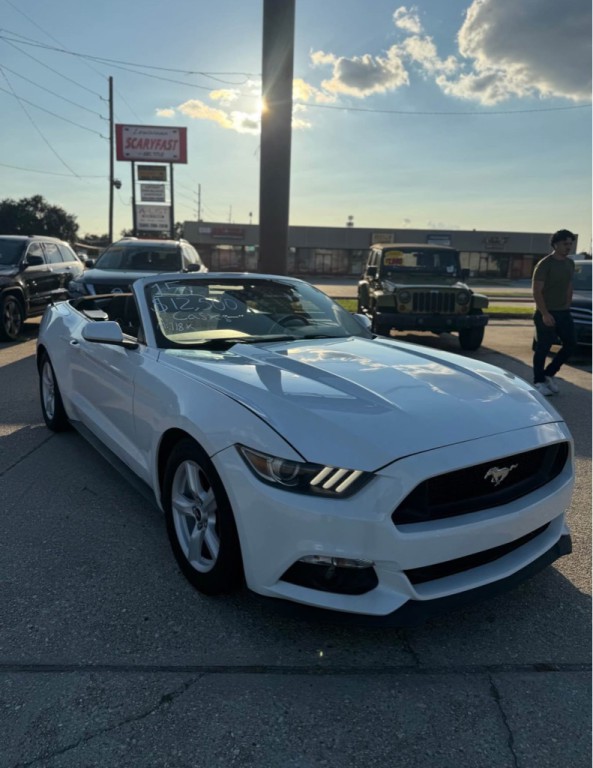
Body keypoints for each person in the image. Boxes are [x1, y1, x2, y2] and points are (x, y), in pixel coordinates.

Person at [531, 229, 577, 396]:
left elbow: (569, 285)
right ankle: (538, 381)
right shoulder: (545, 264)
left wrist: (568, 302)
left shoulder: (570, 263)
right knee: (543, 347)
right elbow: (537, 291)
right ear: (556, 244)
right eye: (565, 244)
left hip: (563, 312)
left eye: (571, 244)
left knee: (571, 344)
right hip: (546, 312)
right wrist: (544, 313)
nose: (568, 247)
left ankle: (549, 374)